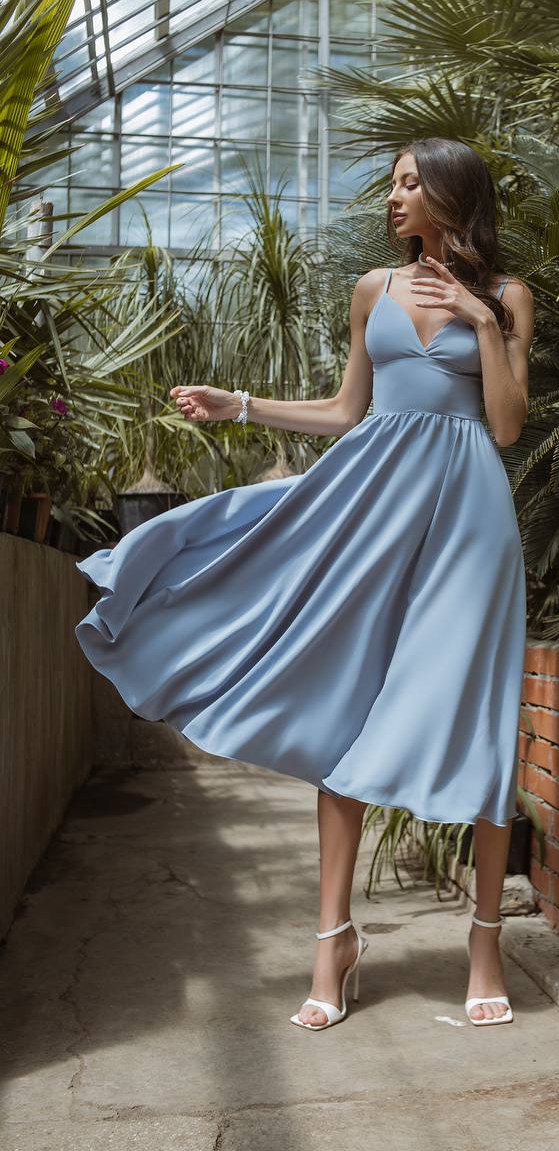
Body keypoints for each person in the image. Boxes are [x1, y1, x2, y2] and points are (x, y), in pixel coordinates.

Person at [74, 135, 534, 1031]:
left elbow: (509, 429)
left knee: (480, 717)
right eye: (394, 184)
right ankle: (334, 941)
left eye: (408, 184)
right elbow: (345, 411)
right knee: (345, 707)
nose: (393, 198)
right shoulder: (375, 289)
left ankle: (485, 943)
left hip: (472, 523)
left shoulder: (509, 298)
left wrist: (484, 324)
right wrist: (237, 405)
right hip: (372, 512)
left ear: (449, 193)